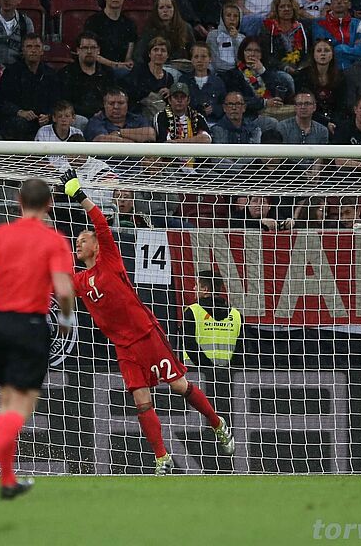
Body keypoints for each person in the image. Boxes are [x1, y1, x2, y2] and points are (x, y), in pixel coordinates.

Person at [62, 170, 234, 474]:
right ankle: (161, 458)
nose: (78, 244)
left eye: (83, 239)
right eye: (76, 240)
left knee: (179, 386)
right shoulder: (79, 280)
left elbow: (100, 223)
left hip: (146, 334)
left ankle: (217, 423)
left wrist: (80, 196)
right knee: (141, 401)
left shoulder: (110, 260)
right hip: (124, 346)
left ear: (96, 246)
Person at [0, 178, 74, 500]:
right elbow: (64, 291)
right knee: (23, 405)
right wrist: (65, 319)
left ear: (17, 200)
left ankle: (7, 481)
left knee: (7, 402)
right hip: (30, 324)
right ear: (50, 204)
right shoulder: (54, 240)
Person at [0, 32, 60, 140]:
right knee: (20, 124)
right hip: (17, 121)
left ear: (42, 50)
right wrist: (20, 112)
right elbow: (2, 102)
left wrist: (49, 115)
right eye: (29, 46)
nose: (33, 50)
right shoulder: (11, 72)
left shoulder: (50, 74)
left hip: (44, 120)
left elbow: (57, 100)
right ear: (23, 50)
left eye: (37, 47)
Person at [182, 269, 241, 370]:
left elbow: (189, 345)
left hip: (196, 372)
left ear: (205, 289)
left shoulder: (192, 312)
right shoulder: (236, 315)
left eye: (196, 285)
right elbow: (241, 349)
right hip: (228, 374)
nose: (194, 288)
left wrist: (208, 369)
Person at [219, 37, 290, 119]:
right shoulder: (232, 75)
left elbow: (282, 92)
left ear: (262, 54)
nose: (252, 54)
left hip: (274, 111)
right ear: (242, 52)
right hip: (250, 116)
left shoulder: (268, 70)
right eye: (248, 50)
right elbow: (238, 101)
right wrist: (264, 103)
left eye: (257, 51)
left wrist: (262, 71)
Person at [84, 0, 137, 78]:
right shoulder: (93, 22)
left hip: (122, 70)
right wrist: (115, 65)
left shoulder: (130, 24)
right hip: (99, 69)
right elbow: (91, 53)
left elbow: (128, 56)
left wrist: (128, 63)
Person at [58, 31, 112, 128]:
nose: (89, 51)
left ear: (98, 50)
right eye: (85, 48)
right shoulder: (65, 74)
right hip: (77, 119)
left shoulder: (108, 73)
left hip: (103, 118)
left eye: (93, 48)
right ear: (78, 50)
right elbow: (64, 104)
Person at [294, 38, 345, 131]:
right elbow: (303, 105)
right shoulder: (303, 75)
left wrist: (334, 122)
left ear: (332, 55)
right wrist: (325, 122)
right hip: (310, 119)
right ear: (313, 55)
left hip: (335, 120)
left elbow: (341, 105)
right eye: (319, 51)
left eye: (326, 51)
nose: (323, 54)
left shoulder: (340, 76)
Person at [312, 0, 361, 70]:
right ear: (331, 4)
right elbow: (323, 51)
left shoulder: (358, 24)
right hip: (329, 70)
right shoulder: (319, 23)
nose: (339, 1)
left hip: (355, 70)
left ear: (349, 5)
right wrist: (350, 50)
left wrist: (340, 49)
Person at [133, 0, 194, 65]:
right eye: (161, 7)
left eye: (169, 7)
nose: (165, 10)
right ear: (157, 10)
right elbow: (138, 54)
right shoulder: (150, 28)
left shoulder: (186, 27)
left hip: (180, 67)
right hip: (156, 67)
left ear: (174, 9)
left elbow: (193, 52)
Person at [123, 36, 176, 117]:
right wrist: (147, 94)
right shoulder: (139, 70)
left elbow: (169, 103)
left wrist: (170, 93)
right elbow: (130, 91)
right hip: (139, 113)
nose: (159, 53)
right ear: (149, 54)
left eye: (163, 50)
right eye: (155, 50)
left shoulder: (169, 78)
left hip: (159, 113)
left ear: (167, 55)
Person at [260, 0, 310, 76]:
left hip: (300, 69)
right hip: (277, 70)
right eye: (282, 6)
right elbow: (266, 56)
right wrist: (285, 68)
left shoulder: (302, 28)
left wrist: (301, 68)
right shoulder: (268, 28)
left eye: (289, 6)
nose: (286, 9)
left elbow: (308, 53)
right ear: (276, 10)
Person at [83, 87, 156, 142]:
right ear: (104, 105)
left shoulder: (138, 119)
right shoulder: (95, 121)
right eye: (111, 103)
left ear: (127, 104)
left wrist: (119, 133)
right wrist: (134, 142)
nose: (116, 107)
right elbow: (102, 140)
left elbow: (150, 134)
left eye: (121, 103)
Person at [181, 43, 226, 123]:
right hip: (189, 123)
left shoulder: (218, 82)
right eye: (196, 57)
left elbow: (224, 105)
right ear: (191, 60)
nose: (199, 60)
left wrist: (213, 109)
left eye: (203, 57)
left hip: (213, 123)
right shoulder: (184, 80)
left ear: (210, 59)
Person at [206, 2, 245, 73]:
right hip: (217, 72)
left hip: (237, 72)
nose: (232, 19)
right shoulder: (213, 35)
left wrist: (236, 39)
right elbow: (214, 61)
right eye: (228, 15)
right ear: (222, 18)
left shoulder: (242, 38)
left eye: (235, 16)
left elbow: (241, 59)